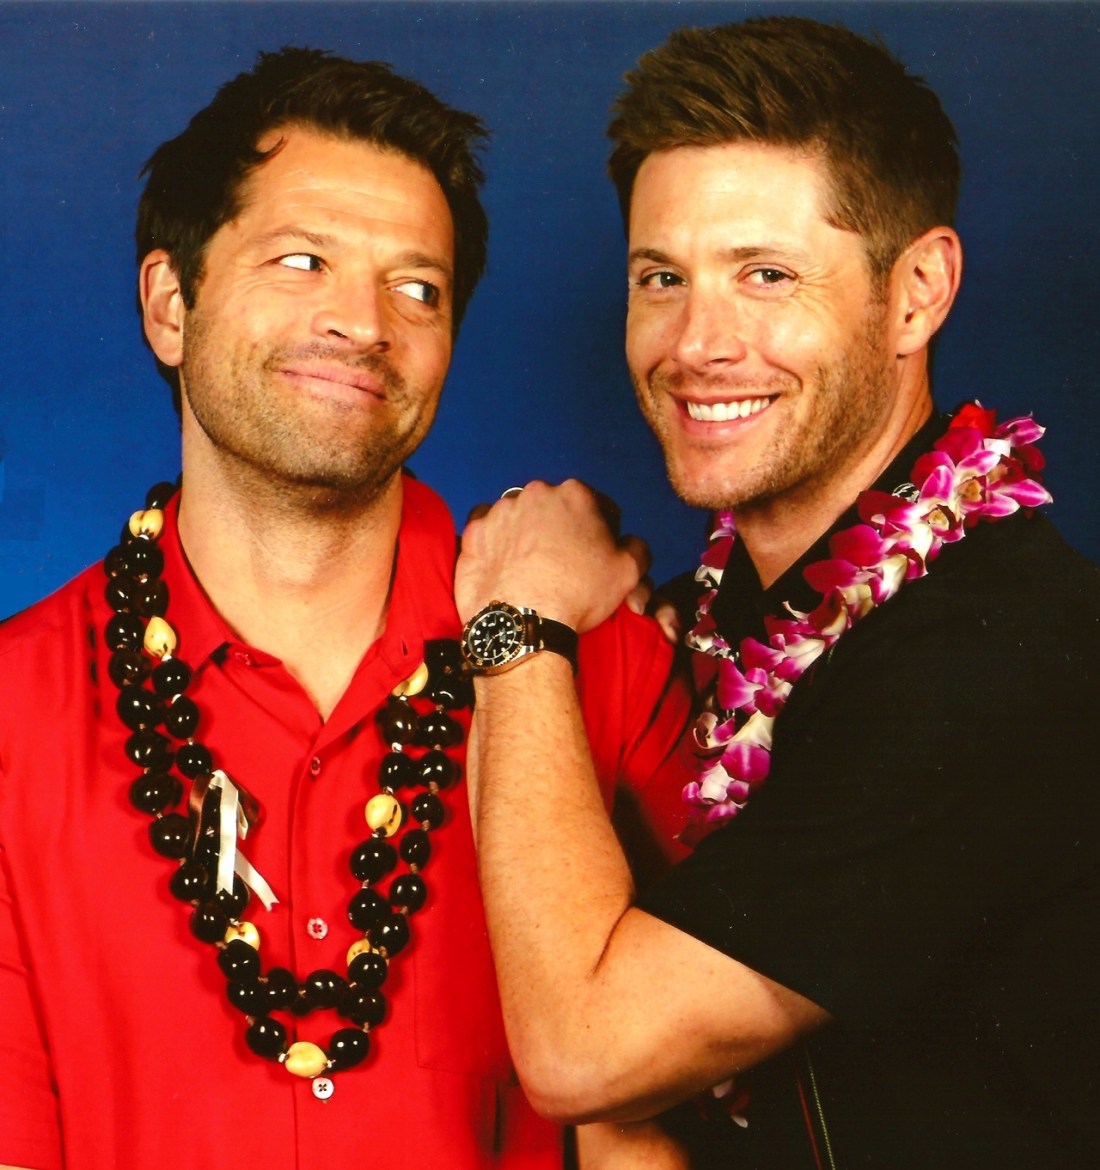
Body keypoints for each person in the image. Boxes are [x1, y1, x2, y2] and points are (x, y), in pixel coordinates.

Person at [0, 48, 694, 1170]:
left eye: (416, 288)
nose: (363, 323)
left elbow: (764, 1067)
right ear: (171, 304)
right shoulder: (13, 715)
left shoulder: (587, 656)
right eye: (302, 260)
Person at [455, 17, 1100, 1169]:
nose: (697, 343)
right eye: (661, 278)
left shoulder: (998, 656)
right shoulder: (716, 623)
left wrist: (515, 623)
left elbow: (583, 1052)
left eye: (765, 275)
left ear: (915, 293)